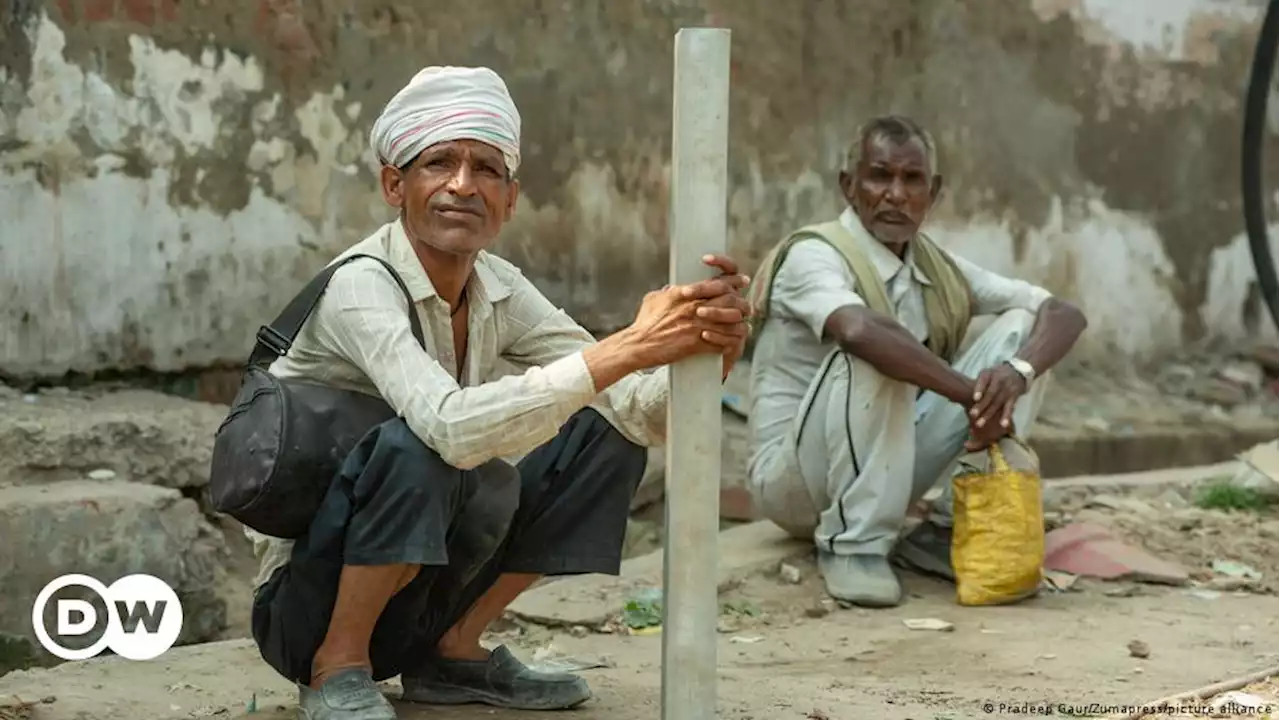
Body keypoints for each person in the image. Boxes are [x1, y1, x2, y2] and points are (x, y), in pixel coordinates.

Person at [244, 65, 751, 720]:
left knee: (606, 436)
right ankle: (337, 669)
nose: (463, 185)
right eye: (438, 163)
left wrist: (709, 350)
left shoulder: (500, 288)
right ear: (394, 184)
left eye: (486, 168)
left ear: (510, 200)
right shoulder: (360, 285)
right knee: (416, 446)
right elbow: (448, 427)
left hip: (420, 590)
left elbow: (637, 411)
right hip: (303, 605)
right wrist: (634, 344)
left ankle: (452, 654)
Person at [744, 115, 1087, 608]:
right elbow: (860, 331)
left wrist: (1016, 375)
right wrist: (974, 396)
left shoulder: (931, 265)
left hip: (887, 467)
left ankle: (942, 531)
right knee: (877, 349)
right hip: (793, 482)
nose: (896, 195)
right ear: (849, 186)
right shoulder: (815, 255)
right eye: (880, 176)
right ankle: (852, 545)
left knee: (1022, 327)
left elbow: (1063, 313)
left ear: (934, 191)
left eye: (912, 180)